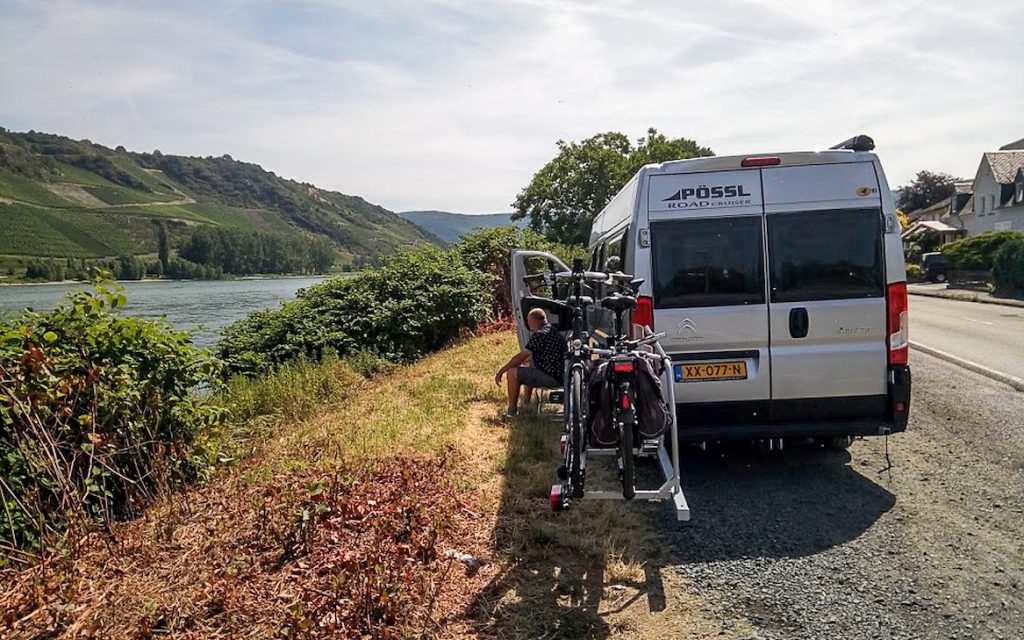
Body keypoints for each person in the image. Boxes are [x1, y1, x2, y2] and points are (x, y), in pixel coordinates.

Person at [495, 307, 566, 417]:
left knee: (512, 373)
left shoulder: (540, 335)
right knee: (528, 364)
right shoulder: (553, 331)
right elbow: (531, 356)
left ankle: (511, 411)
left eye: (528, 321)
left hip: (551, 377)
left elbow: (521, 356)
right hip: (561, 375)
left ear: (533, 320)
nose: (528, 323)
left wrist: (502, 371)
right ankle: (526, 403)